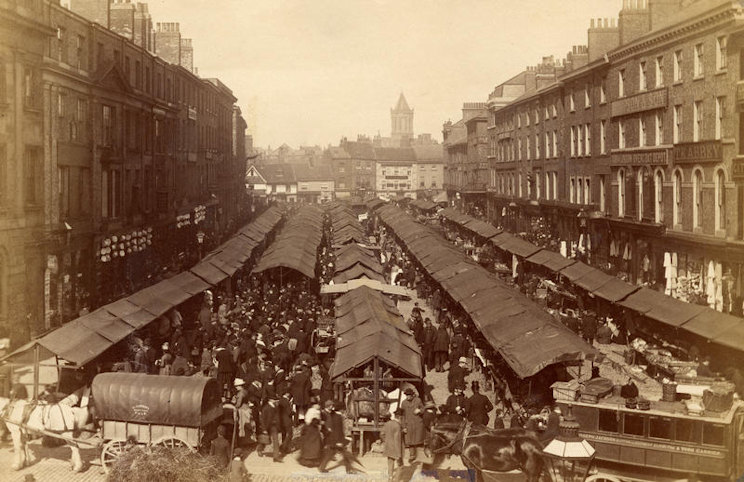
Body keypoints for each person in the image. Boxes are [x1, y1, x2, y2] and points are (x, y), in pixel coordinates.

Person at [318, 400, 355, 474]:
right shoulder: (325, 414)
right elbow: (325, 428)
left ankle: (322, 467)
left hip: (334, 438)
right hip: (332, 438)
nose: (333, 407)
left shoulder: (333, 414)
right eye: (332, 406)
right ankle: (349, 470)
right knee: (341, 453)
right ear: (329, 406)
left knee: (333, 453)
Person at [399, 388, 425, 464]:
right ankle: (412, 455)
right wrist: (403, 427)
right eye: (407, 395)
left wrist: (420, 411)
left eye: (409, 395)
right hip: (408, 424)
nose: (408, 397)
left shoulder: (418, 400)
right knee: (410, 441)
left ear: (413, 395)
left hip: (417, 424)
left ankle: (419, 456)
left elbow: (423, 409)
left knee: (418, 440)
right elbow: (402, 416)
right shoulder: (403, 403)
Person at [380, 410, 403, 481]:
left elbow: (381, 434)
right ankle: (396, 480)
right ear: (400, 417)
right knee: (400, 466)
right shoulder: (398, 426)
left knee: (390, 464)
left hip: (388, 447)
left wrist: (386, 441)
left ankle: (390, 479)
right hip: (396, 449)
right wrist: (399, 454)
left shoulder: (387, 423)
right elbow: (397, 440)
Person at [258, 395, 281, 462]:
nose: (277, 401)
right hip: (267, 426)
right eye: (275, 399)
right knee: (264, 440)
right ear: (270, 400)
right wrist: (264, 429)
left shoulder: (276, 406)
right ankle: (259, 449)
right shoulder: (266, 408)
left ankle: (275, 457)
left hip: (274, 426)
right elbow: (262, 419)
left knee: (276, 441)